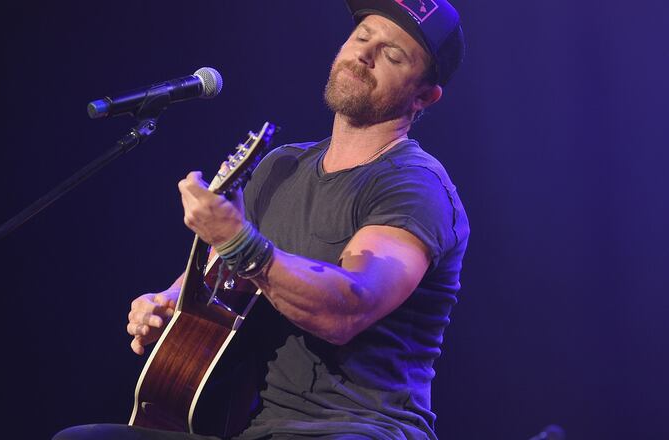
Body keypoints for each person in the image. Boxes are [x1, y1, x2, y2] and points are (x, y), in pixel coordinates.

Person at [55, 0, 468, 439]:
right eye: (362, 37)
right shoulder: (280, 167)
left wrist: (239, 242)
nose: (363, 55)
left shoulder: (415, 186)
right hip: (253, 426)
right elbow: (209, 279)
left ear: (425, 95)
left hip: (361, 427)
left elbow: (348, 310)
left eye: (392, 55)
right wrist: (164, 306)